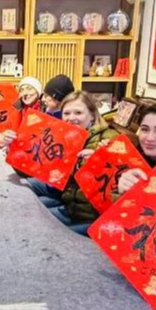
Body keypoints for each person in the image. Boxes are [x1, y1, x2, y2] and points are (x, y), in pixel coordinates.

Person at [33, 91, 119, 235]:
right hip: (68, 205)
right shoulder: (67, 137)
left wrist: (101, 161)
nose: (71, 118)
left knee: (44, 232)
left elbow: (116, 190)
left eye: (78, 112)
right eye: (66, 113)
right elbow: (38, 169)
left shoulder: (109, 141)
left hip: (92, 218)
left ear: (92, 115)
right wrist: (17, 147)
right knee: (30, 211)